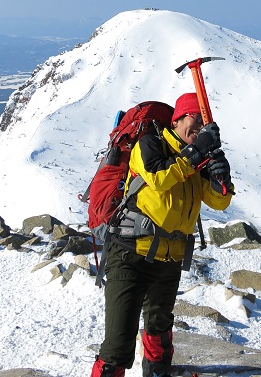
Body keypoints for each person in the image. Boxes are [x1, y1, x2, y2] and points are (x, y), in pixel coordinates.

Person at [91, 92, 234, 377]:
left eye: (203, 126)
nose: (197, 130)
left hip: (168, 260)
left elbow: (218, 201)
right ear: (177, 119)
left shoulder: (198, 160)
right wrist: (195, 155)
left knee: (159, 332)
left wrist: (222, 179)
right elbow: (158, 177)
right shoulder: (150, 144)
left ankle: (157, 372)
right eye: (193, 121)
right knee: (118, 344)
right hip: (129, 253)